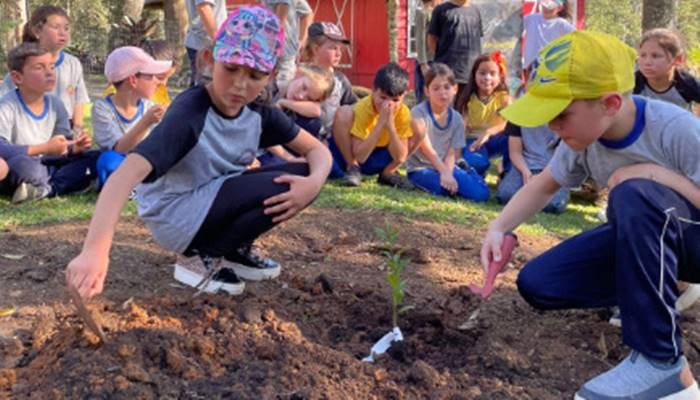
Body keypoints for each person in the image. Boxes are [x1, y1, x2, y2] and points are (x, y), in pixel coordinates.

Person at [480, 31, 700, 399]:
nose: (552, 126)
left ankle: (663, 366)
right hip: (650, 241)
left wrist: (651, 174)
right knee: (540, 282)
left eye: (560, 115)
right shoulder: (581, 138)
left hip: (694, 241)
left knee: (633, 194)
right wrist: (498, 227)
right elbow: (544, 184)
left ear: (610, 102)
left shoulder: (678, 129)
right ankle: (661, 286)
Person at [65, 6, 332, 298]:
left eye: (255, 75)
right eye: (230, 69)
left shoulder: (260, 112)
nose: (240, 85)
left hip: (213, 198)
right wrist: (95, 251)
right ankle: (198, 256)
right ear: (209, 59)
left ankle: (231, 250)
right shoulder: (191, 112)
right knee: (286, 178)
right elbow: (123, 176)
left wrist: (314, 184)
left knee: (304, 175)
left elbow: (318, 151)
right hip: (175, 212)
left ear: (271, 76)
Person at [0, 42, 98, 204]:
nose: (49, 73)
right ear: (17, 77)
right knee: (24, 166)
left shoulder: (55, 103)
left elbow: (63, 143)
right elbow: (2, 148)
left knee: (94, 157)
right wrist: (44, 148)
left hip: (50, 162)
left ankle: (45, 189)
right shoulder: (7, 106)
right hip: (25, 164)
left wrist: (74, 147)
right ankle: (64, 183)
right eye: (39, 68)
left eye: (51, 67)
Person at [405, 63, 488, 202]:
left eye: (447, 87)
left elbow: (451, 152)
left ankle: (468, 173)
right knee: (444, 189)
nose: (442, 93)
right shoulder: (418, 113)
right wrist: (444, 173)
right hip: (421, 168)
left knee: (481, 194)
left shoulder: (456, 119)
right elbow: (427, 150)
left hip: (446, 165)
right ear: (427, 91)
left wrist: (448, 173)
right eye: (436, 88)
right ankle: (452, 179)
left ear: (455, 89)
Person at [92, 47, 172, 187]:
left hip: (145, 162)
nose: (158, 82)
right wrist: (146, 122)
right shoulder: (102, 109)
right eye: (151, 76)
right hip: (120, 162)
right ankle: (134, 186)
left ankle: (137, 184)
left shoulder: (150, 106)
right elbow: (119, 149)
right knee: (108, 161)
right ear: (133, 80)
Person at [330, 62, 418, 189]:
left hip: (383, 154)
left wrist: (391, 127)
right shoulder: (364, 108)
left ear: (403, 97)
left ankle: (388, 172)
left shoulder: (403, 112)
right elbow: (360, 156)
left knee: (419, 126)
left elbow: (400, 158)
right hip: (359, 156)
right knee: (344, 112)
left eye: (395, 100)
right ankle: (352, 168)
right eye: (382, 98)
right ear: (373, 91)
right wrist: (380, 124)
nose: (388, 105)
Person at [0, 5, 89, 128]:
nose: (62, 33)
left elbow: (78, 101)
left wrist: (77, 130)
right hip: (30, 128)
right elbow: (5, 103)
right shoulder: (24, 65)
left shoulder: (73, 64)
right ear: (37, 31)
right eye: (56, 27)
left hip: (65, 129)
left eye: (66, 28)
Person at [257, 64, 334, 165]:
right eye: (304, 87)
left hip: (282, 144)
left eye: (309, 98)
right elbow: (262, 134)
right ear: (298, 74)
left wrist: (283, 102)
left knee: (313, 122)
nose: (301, 96)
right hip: (259, 145)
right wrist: (290, 159)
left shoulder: (292, 102)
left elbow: (316, 110)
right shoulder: (269, 90)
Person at [495, 122, 569, 213]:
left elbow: (562, 156)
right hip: (525, 165)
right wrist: (525, 172)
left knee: (553, 206)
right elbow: (515, 152)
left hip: (554, 168)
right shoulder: (517, 114)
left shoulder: (566, 116)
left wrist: (543, 176)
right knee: (504, 196)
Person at [459, 51, 511, 177]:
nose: (487, 78)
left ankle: (506, 171)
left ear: (500, 77)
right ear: (474, 75)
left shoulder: (504, 98)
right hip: (473, 141)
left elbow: (509, 123)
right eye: (482, 73)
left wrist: (488, 133)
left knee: (513, 139)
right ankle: (478, 169)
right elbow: (462, 127)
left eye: (492, 74)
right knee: (478, 163)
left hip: (495, 140)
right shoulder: (468, 99)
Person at [303, 22, 358, 140]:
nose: (338, 54)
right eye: (333, 48)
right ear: (316, 49)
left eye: (340, 49)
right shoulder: (300, 75)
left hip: (331, 140)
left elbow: (352, 107)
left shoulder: (340, 80)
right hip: (300, 137)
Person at [427, 0, 483, 107]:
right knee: (445, 112)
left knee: (465, 112)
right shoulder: (441, 10)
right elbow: (431, 39)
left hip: (470, 73)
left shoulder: (475, 11)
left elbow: (478, 38)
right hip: (447, 74)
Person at [635, 28, 700, 113]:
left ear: (678, 60)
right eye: (643, 55)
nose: (647, 62)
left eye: (655, 56)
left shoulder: (687, 84)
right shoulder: (633, 83)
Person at [103, 39, 181, 107]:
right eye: (160, 77)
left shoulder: (159, 90)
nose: (163, 84)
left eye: (168, 78)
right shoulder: (117, 92)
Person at [262, 0, 314, 84]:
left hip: (277, 50)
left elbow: (282, 10)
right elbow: (307, 12)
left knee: (281, 85)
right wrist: (302, 39)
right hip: (285, 51)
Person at [184, 0, 228, 86]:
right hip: (205, 45)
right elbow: (203, 7)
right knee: (205, 90)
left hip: (203, 43)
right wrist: (218, 40)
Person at [522, 0, 574, 72]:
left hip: (549, 67)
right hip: (530, 66)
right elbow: (514, 26)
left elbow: (576, 37)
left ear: (559, 8)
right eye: (544, 7)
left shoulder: (562, 24)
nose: (546, 10)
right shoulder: (531, 18)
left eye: (550, 9)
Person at [413, 0, 442, 104]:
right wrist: (422, 63)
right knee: (423, 94)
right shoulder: (422, 12)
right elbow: (419, 38)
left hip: (437, 59)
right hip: (426, 60)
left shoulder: (440, 12)